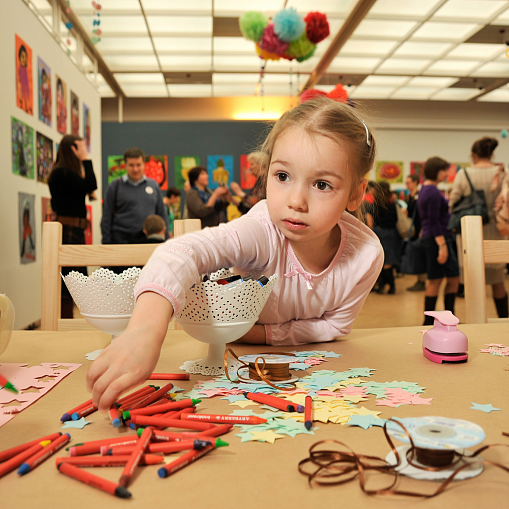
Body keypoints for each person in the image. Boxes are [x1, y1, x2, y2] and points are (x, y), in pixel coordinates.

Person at [86, 97, 384, 411]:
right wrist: (145, 330)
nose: (296, 200)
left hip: (310, 383)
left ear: (356, 194)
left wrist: (259, 334)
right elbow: (180, 251)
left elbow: (336, 327)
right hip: (233, 378)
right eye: (282, 176)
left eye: (322, 184)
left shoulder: (366, 255)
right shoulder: (262, 230)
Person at [449, 137, 508, 318]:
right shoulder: (502, 173)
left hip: (472, 232)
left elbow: (453, 202)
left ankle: (476, 321)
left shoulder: (464, 174)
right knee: (498, 281)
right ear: (491, 154)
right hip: (497, 231)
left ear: (474, 155)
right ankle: (505, 320)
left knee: (474, 279)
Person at [48, 134, 97, 318]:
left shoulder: (65, 172)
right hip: (69, 230)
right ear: (73, 149)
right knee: (70, 279)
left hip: (74, 230)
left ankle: (69, 320)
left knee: (74, 278)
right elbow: (92, 184)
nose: (85, 150)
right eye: (81, 147)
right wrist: (86, 159)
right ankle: (66, 322)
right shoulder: (62, 173)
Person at [418, 157, 460, 325]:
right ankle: (437, 320)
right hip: (438, 239)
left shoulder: (426, 189)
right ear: (436, 171)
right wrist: (442, 245)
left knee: (441, 278)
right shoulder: (433, 192)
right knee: (447, 278)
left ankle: (432, 320)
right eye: (444, 170)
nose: (446, 174)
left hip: (433, 238)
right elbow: (433, 221)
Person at [101, 147, 169, 245]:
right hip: (121, 242)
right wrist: (107, 243)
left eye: (138, 165)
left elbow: (162, 214)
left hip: (148, 242)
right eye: (131, 165)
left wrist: (165, 240)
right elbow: (106, 217)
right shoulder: (114, 186)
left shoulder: (153, 185)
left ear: (144, 165)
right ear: (125, 166)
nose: (135, 169)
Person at [366, 182, 401, 294]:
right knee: (389, 260)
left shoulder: (374, 204)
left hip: (378, 233)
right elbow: (396, 219)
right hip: (392, 234)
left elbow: (370, 223)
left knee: (381, 260)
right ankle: (391, 286)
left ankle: (384, 285)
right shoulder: (393, 203)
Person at [405, 174, 426, 292]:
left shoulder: (420, 195)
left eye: (409, 182)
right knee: (417, 255)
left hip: (420, 229)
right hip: (413, 230)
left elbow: (422, 213)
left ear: (415, 182)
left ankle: (422, 281)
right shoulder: (411, 196)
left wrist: (423, 229)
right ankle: (419, 280)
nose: (407, 185)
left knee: (421, 255)